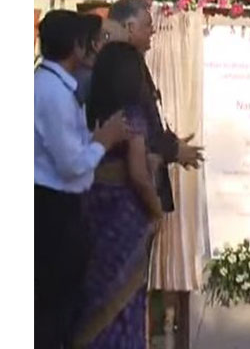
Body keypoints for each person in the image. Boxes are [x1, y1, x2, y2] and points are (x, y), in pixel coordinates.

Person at [34, 10, 129, 348]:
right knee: (53, 309)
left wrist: (95, 139)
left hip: (60, 207)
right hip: (53, 209)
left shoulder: (55, 86)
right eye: (91, 41)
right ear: (76, 45)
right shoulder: (53, 93)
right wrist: (105, 140)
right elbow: (72, 165)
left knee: (62, 304)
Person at [73, 42, 165, 348]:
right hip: (124, 215)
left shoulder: (89, 109)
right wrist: (156, 210)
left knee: (94, 294)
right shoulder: (131, 115)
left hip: (91, 206)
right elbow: (137, 174)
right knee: (122, 296)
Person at [108, 0, 203, 214]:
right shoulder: (121, 70)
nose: (153, 31)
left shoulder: (136, 64)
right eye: (147, 25)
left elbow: (150, 118)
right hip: (129, 194)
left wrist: (172, 144)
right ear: (129, 27)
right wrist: (173, 150)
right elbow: (134, 128)